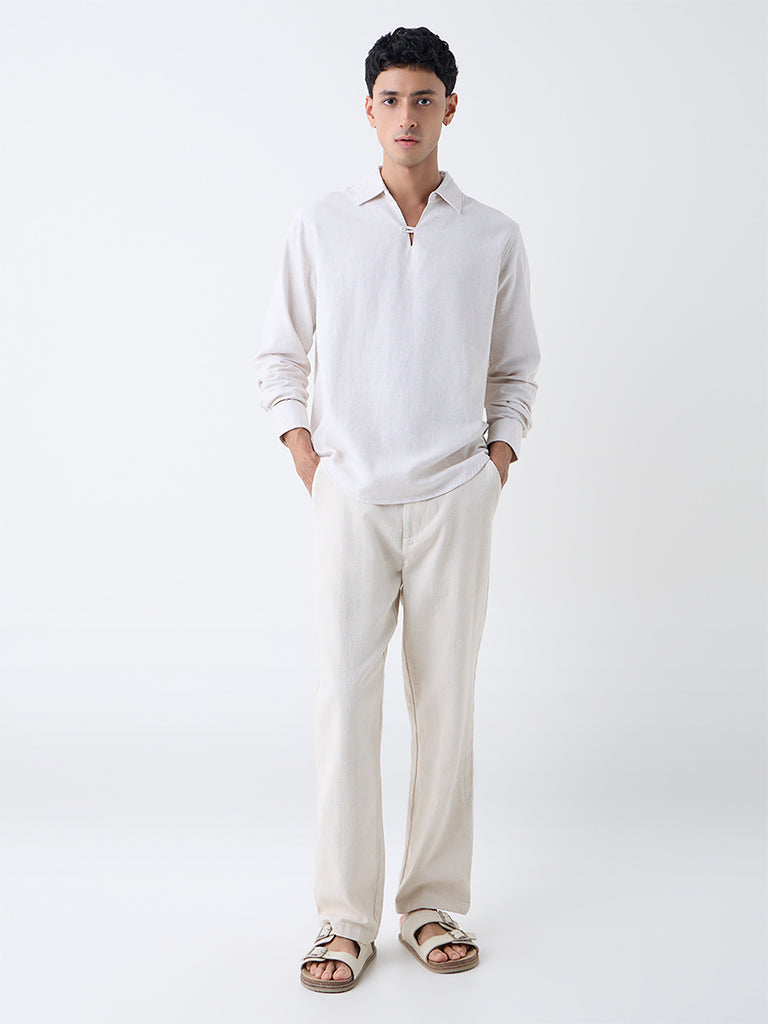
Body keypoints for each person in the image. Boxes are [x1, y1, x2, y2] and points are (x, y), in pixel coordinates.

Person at [254, 25, 541, 993]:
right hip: (351, 497)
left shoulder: (492, 234)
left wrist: (495, 464)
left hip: (456, 494)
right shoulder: (322, 225)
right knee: (345, 704)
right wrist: (312, 462)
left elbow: (516, 368)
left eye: (424, 99)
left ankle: (430, 904)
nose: (407, 115)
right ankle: (344, 918)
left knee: (445, 704)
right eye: (391, 99)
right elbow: (279, 356)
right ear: (368, 110)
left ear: (450, 109)